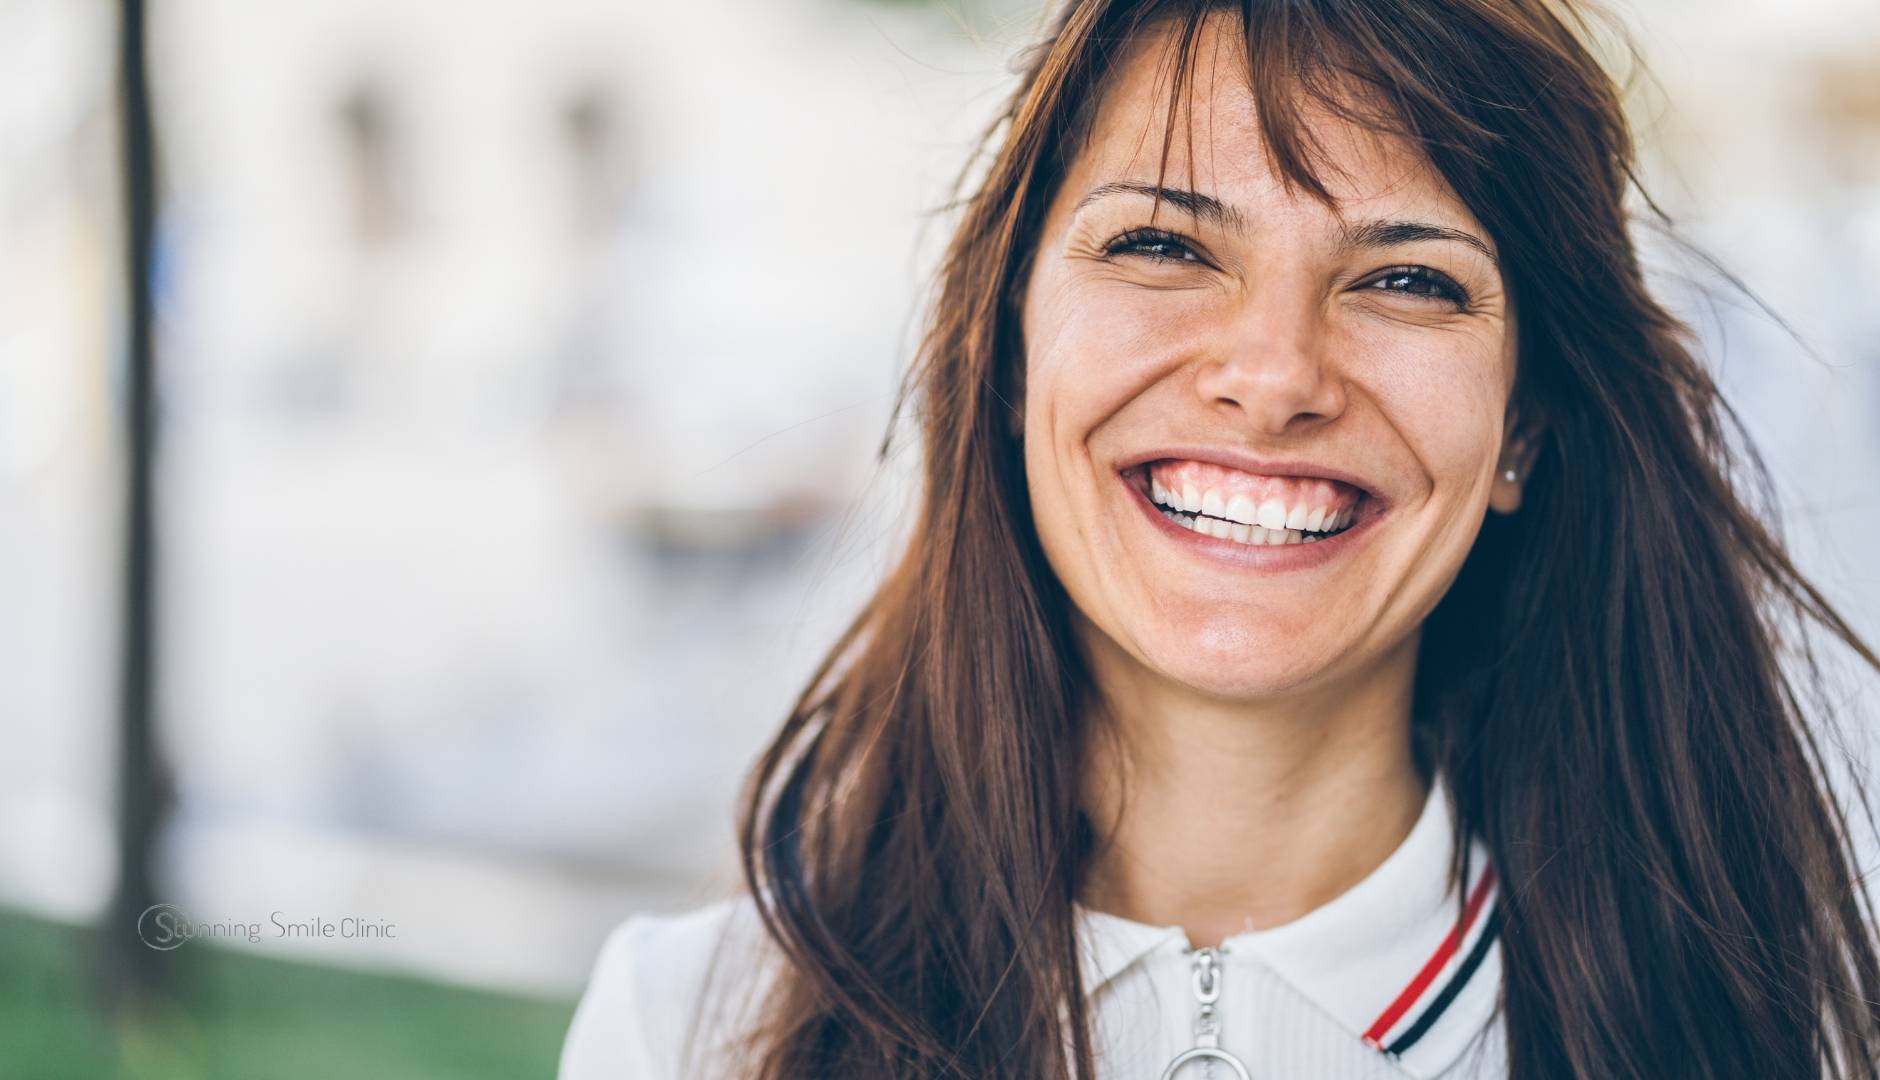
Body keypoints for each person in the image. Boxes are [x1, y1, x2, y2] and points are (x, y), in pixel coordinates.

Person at [560, 1, 1880, 1076]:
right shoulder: (685, 1030)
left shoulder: (1779, 1033)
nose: (1274, 372)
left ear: (1524, 427)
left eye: (1407, 278)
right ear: (1013, 353)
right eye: (1163, 246)